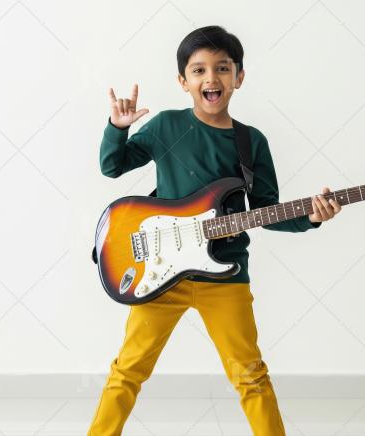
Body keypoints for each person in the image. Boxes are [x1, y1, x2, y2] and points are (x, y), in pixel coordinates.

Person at [89, 25, 342, 435]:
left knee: (250, 375)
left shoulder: (251, 142)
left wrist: (312, 217)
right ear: (183, 81)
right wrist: (117, 128)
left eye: (223, 68)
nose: (212, 78)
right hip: (160, 275)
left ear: (238, 77)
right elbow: (111, 167)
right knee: (128, 370)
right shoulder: (166, 126)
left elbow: (266, 210)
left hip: (226, 275)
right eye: (199, 70)